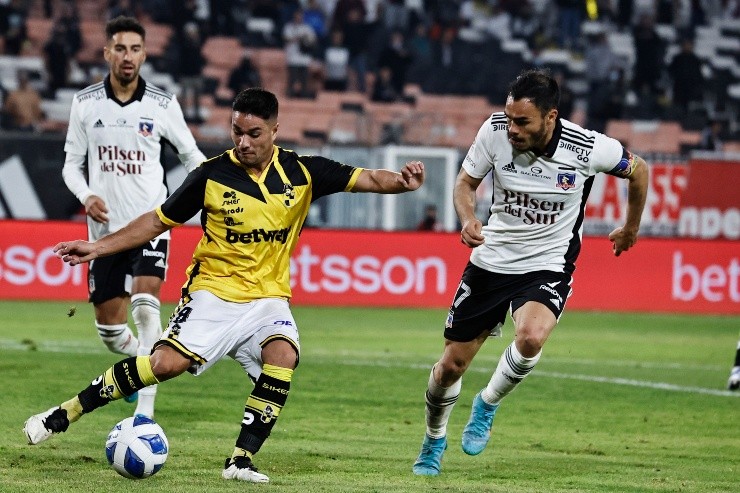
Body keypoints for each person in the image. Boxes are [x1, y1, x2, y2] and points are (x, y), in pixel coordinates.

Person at [25, 87, 426, 483]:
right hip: (213, 294)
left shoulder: (303, 172)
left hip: (268, 299)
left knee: (283, 355)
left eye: (254, 133)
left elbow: (369, 178)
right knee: (164, 366)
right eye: (237, 131)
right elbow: (157, 221)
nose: (243, 142)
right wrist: (98, 247)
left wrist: (402, 181)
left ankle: (240, 461)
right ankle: (64, 413)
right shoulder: (211, 175)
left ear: (274, 131)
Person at [412, 69, 649, 476]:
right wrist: (467, 219)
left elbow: (639, 169)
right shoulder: (494, 130)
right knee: (451, 366)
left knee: (531, 337)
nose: (512, 129)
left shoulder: (588, 147)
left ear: (550, 117)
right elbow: (465, 184)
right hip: (492, 259)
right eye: (510, 118)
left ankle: (487, 403)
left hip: (548, 262)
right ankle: (434, 438)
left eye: (523, 122)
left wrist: (631, 228)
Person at [59, 16, 206, 419]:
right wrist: (86, 195)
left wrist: (212, 193)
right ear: (107, 52)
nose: (128, 56)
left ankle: (144, 415)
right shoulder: (85, 103)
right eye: (120, 48)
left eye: (135, 49)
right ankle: (138, 364)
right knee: (110, 331)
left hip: (151, 223)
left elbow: (191, 156)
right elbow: (71, 165)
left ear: (144, 54)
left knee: (145, 306)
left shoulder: (162, 105)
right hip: (105, 234)